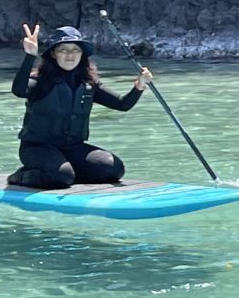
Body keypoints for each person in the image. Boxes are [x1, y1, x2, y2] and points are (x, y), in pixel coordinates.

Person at [8, 25, 153, 190]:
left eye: (75, 50)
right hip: (37, 149)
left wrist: (139, 86)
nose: (70, 55)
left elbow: (122, 104)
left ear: (82, 53)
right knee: (60, 177)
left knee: (114, 170)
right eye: (63, 50)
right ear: (54, 54)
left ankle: (66, 173)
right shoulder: (40, 81)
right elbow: (19, 90)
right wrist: (29, 56)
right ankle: (21, 176)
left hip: (72, 148)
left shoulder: (89, 83)